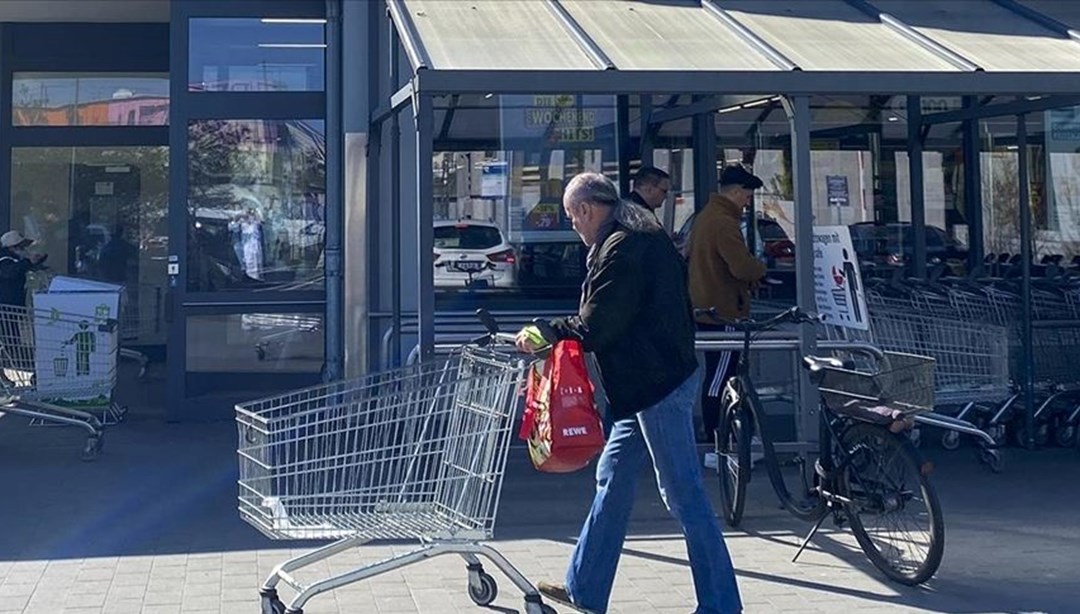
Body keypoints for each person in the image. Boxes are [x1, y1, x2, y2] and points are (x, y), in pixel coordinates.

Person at [515, 172, 742, 614]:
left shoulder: (624, 248)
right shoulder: (634, 233)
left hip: (657, 385)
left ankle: (721, 605)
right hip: (642, 387)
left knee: (683, 494)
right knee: (612, 483)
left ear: (584, 209)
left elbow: (600, 323)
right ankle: (585, 589)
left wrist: (548, 331)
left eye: (571, 217)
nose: (573, 227)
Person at [687, 165, 767, 445]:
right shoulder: (723, 222)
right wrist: (761, 270)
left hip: (708, 308)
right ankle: (715, 437)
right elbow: (742, 266)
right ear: (735, 192)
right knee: (722, 377)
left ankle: (726, 434)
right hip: (723, 313)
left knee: (722, 375)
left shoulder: (706, 217)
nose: (748, 202)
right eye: (746, 196)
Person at [0, 231, 47, 371]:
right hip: (4, 308)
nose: (24, 250)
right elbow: (10, 272)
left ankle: (4, 370)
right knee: (10, 341)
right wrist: (28, 261)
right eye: (21, 247)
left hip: (10, 308)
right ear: (12, 247)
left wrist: (38, 261)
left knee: (11, 340)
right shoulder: (4, 261)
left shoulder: (14, 261)